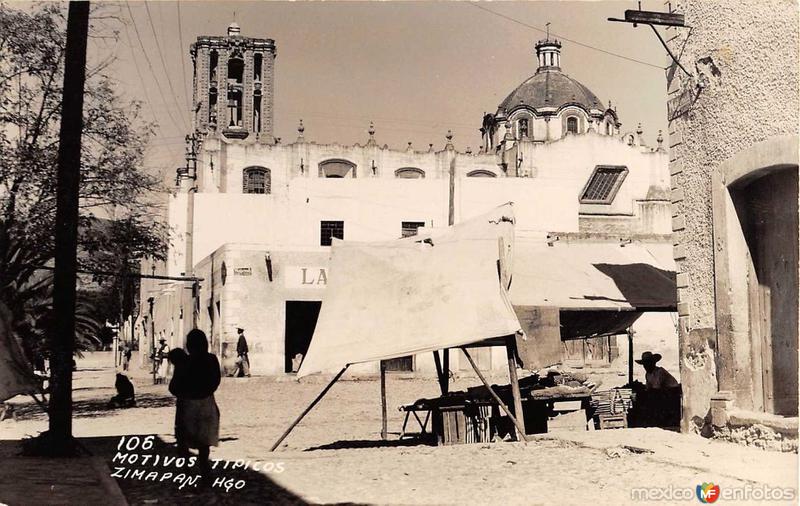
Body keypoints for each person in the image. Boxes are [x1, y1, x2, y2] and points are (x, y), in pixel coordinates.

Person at [168, 329, 221, 481]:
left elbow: (174, 387)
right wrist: (206, 391)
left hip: (187, 404)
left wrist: (185, 393)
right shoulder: (212, 359)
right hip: (207, 403)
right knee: (204, 442)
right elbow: (216, 380)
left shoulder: (185, 362)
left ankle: (185, 471)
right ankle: (204, 469)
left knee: (183, 439)